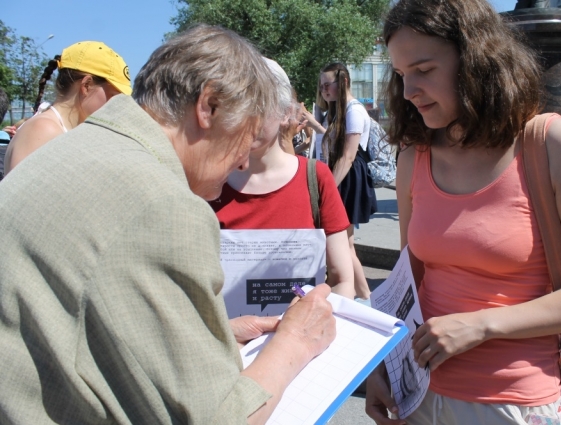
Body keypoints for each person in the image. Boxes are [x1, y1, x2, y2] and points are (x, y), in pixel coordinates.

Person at [0, 25, 335, 424]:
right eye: (246, 139)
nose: (243, 163)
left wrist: (215, 334)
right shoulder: (166, 205)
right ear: (208, 105)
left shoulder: (70, 150)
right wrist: (295, 342)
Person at [365, 0, 561, 424]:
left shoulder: (552, 144)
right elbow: (408, 285)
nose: (408, 91)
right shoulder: (412, 158)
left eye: (424, 69)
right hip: (417, 396)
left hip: (516, 403)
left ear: (476, 61)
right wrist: (380, 363)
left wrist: (483, 324)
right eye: (400, 75)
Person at [211, 58, 356, 300]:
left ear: (285, 111)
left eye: (258, 105)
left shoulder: (316, 178)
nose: (245, 117)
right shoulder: (207, 183)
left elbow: (342, 280)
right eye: (235, 105)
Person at [302, 63, 378, 301]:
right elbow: (331, 142)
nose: (324, 90)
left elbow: (349, 155)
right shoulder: (336, 110)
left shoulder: (353, 110)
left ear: (343, 82)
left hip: (347, 176)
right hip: (341, 174)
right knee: (346, 242)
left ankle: (365, 295)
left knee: (345, 242)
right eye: (321, 85)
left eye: (328, 85)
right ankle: (364, 295)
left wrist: (328, 190)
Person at [3, 41, 131, 175]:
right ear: (86, 85)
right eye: (113, 96)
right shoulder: (44, 130)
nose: (117, 105)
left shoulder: (61, 130)